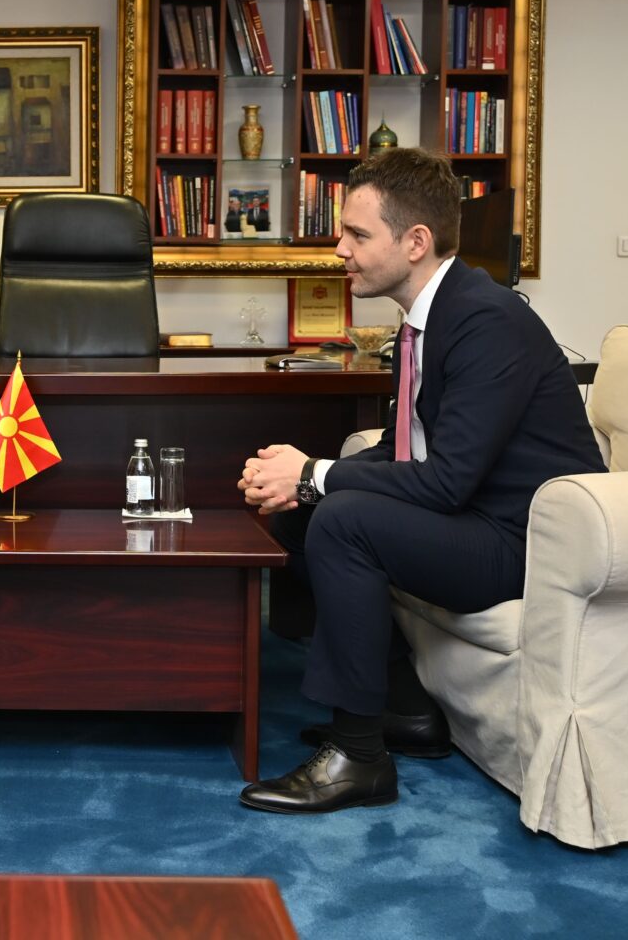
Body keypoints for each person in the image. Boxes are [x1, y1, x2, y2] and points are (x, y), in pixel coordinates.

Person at [235, 148, 604, 814]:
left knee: (342, 519)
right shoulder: (427, 319)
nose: (339, 248)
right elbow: (404, 449)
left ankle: (359, 759)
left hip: (528, 543)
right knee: (306, 514)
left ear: (415, 242)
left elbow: (446, 482)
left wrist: (316, 473)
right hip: (476, 519)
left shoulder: (486, 321)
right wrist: (303, 481)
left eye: (357, 234)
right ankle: (403, 710)